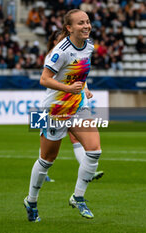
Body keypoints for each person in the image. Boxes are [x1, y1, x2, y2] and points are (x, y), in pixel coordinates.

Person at [24, 9, 102, 222]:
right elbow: (44, 79)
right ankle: (31, 200)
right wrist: (69, 89)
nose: (86, 26)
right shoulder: (60, 51)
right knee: (47, 159)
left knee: (94, 150)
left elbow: (77, 72)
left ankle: (78, 196)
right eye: (80, 23)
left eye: (87, 22)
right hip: (54, 110)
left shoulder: (89, 46)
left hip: (77, 107)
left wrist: (83, 87)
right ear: (69, 28)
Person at [44, 29, 104, 183]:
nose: (61, 42)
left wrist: (85, 88)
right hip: (54, 103)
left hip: (74, 102)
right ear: (53, 42)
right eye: (58, 39)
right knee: (47, 144)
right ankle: (43, 172)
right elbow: (48, 79)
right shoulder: (53, 56)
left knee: (75, 138)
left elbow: (78, 74)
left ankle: (88, 170)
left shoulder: (78, 50)